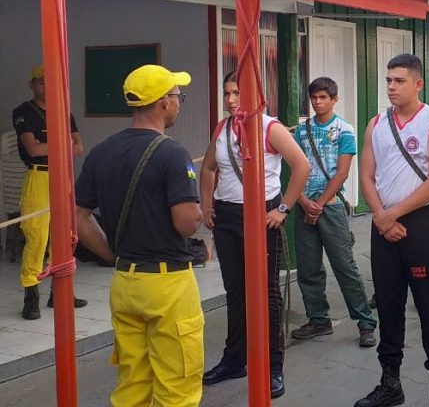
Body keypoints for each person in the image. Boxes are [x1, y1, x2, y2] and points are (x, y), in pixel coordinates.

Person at [75, 64, 203, 406]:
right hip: (168, 283)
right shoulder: (173, 153)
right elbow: (186, 223)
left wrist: (110, 254)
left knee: (133, 383)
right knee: (177, 387)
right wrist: (200, 212)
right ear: (163, 102)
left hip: (124, 282)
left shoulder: (101, 152)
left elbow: (78, 217)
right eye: (177, 97)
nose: (179, 103)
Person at [199, 71, 310, 398]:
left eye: (237, 93)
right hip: (227, 215)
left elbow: (301, 165)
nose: (231, 100)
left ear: (254, 95)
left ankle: (273, 366)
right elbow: (208, 168)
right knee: (236, 291)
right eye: (227, 93)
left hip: (263, 214)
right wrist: (206, 204)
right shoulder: (222, 128)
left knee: (267, 293)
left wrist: (284, 208)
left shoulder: (269, 128)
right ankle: (235, 359)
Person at [356, 53, 429, 407]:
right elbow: (366, 175)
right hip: (383, 224)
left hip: (420, 222)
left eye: (399, 81)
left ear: (418, 84)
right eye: (388, 81)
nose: (392, 87)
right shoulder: (376, 123)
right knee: (388, 303)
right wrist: (381, 215)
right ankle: (390, 381)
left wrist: (392, 214)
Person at [290, 76, 377, 347]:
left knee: (344, 266)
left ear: (334, 99)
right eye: (314, 98)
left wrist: (319, 204)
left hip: (331, 206)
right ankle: (318, 319)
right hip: (304, 206)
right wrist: (303, 201)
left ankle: (365, 322)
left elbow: (342, 173)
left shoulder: (344, 129)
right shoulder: (301, 131)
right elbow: (293, 169)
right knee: (308, 269)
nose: (318, 102)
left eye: (323, 97)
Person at [13, 65, 86, 320]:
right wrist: (64, 144)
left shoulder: (64, 112)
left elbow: (79, 147)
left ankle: (60, 292)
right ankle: (31, 295)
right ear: (32, 85)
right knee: (37, 237)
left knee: (64, 236)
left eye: (50, 81)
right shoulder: (23, 112)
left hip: (62, 177)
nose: (46, 86)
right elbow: (33, 149)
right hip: (39, 176)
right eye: (41, 81)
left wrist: (54, 145)